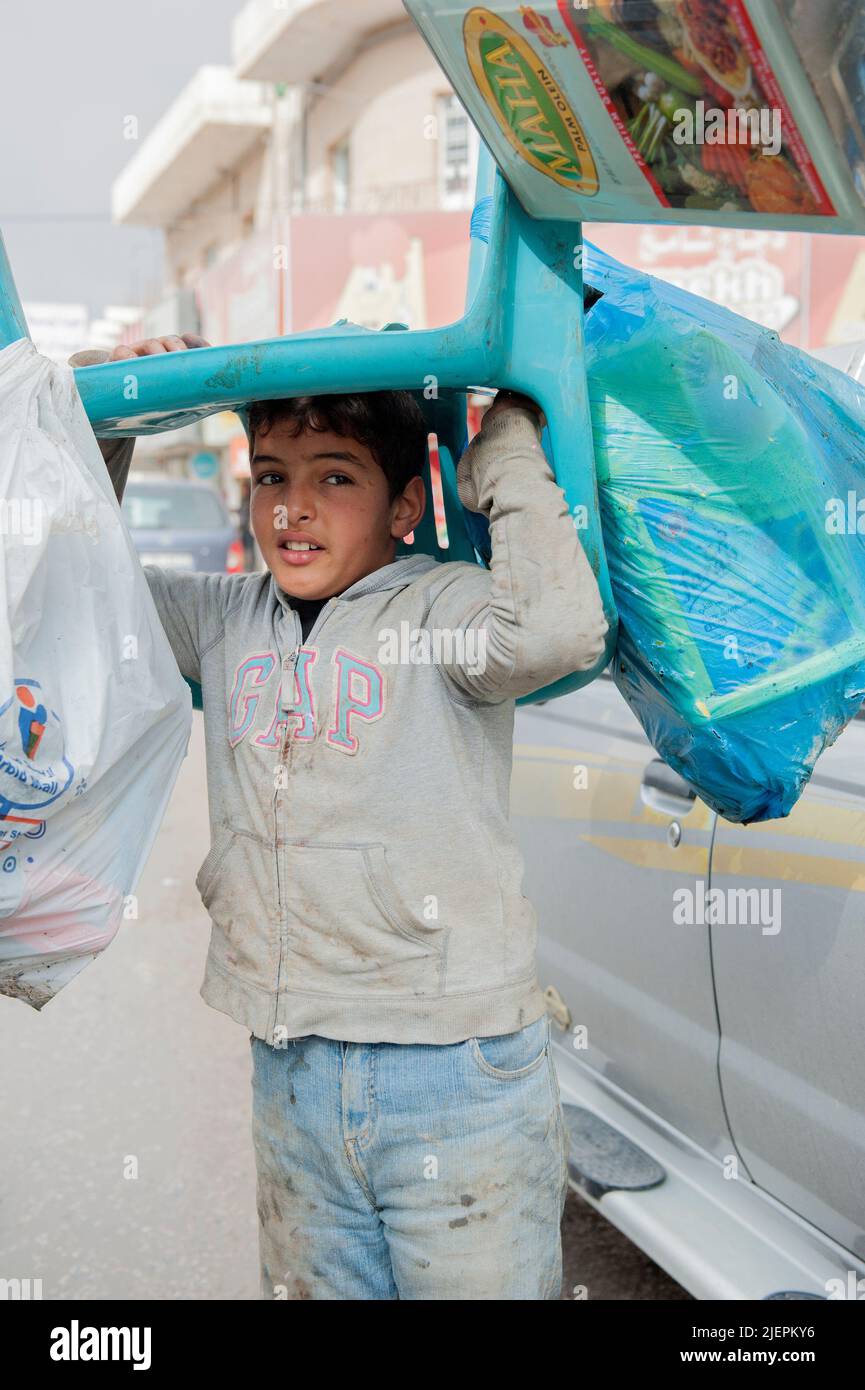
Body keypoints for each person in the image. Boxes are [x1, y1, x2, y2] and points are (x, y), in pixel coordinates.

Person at [69, 334, 610, 1300]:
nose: (294, 508)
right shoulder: (226, 621)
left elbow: (561, 630)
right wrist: (116, 420)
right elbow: (80, 596)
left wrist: (507, 452)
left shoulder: (441, 607)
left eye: (336, 477)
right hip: (293, 1073)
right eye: (270, 476)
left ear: (406, 504)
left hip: (456, 1080)